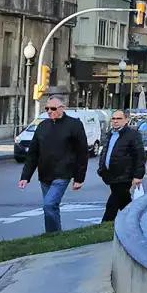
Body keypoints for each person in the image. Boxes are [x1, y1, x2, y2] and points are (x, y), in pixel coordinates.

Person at [18, 97, 88, 232]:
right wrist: (25, 176)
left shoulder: (74, 125)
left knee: (49, 204)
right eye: (47, 109)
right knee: (50, 206)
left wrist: (79, 178)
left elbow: (82, 152)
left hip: (63, 173)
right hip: (45, 173)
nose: (49, 111)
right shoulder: (43, 126)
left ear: (62, 108)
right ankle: (53, 235)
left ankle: (54, 234)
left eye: (53, 109)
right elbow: (33, 153)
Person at [97, 109, 146, 222]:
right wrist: (101, 169)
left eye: (119, 119)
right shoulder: (111, 134)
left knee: (112, 203)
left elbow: (140, 156)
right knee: (124, 202)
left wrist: (138, 175)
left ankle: (104, 225)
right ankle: (135, 221)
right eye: (113, 119)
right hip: (111, 175)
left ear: (126, 120)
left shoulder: (132, 135)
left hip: (125, 175)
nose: (115, 121)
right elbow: (105, 152)